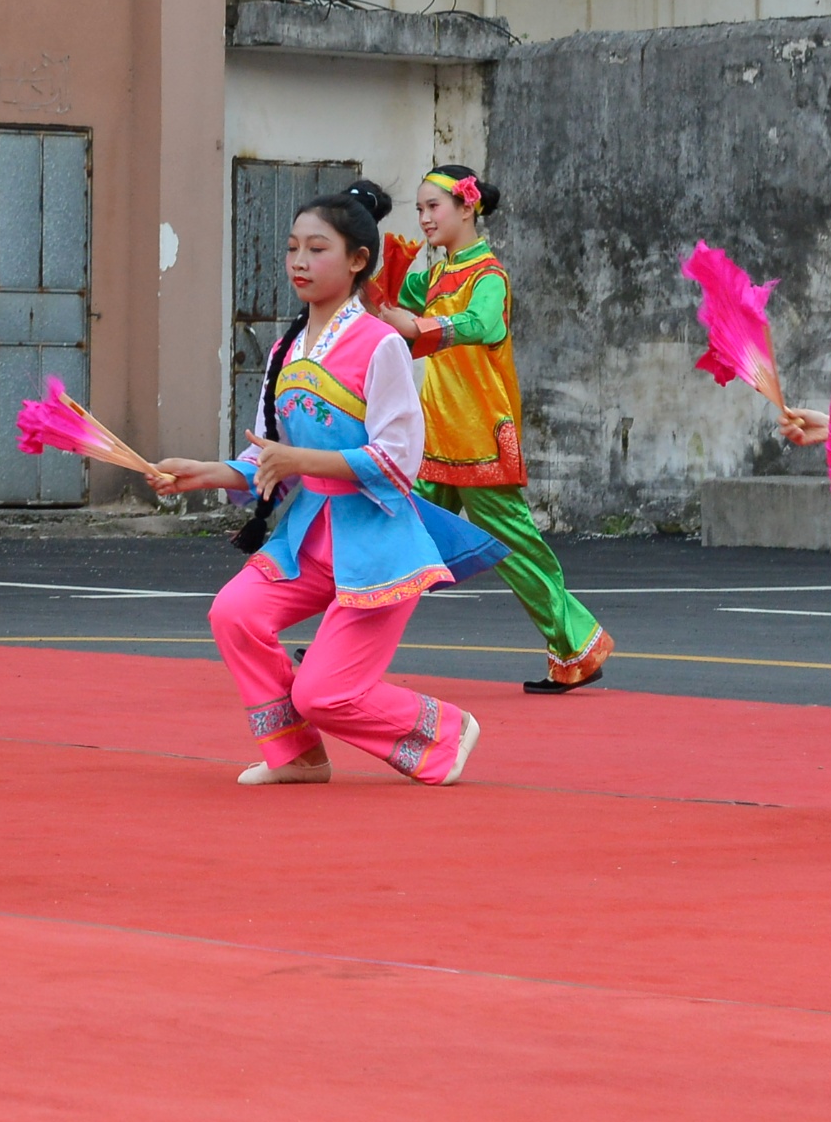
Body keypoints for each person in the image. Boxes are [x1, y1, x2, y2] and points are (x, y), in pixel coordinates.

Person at [142, 181, 503, 789]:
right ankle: (299, 756)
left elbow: (396, 462)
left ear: (358, 260)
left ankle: (438, 730)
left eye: (317, 249)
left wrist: (296, 459)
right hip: (310, 537)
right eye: (292, 250)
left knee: (324, 692)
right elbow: (266, 456)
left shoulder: (382, 344)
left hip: (376, 542)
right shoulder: (286, 347)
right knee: (235, 613)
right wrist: (205, 473)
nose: (300, 263)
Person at [386, 168, 610, 694]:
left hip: (479, 438)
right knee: (395, 535)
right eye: (419, 209)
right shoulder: (434, 276)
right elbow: (386, 307)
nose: (423, 218)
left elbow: (483, 325)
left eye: (433, 207)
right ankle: (341, 641)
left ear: (467, 208)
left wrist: (417, 326)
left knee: (516, 550)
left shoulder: (488, 276)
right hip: (436, 437)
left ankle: (578, 645)